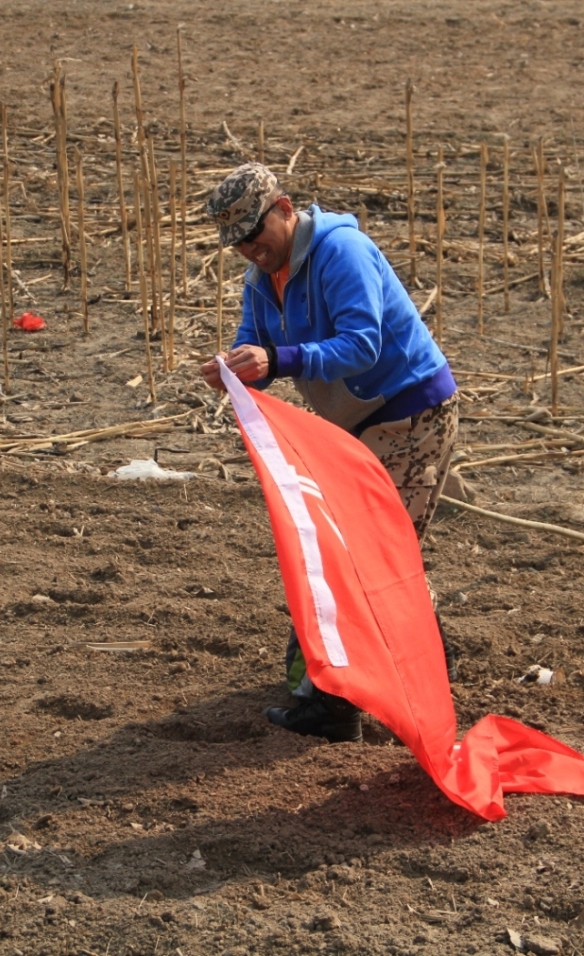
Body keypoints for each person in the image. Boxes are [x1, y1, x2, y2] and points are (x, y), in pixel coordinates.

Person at [200, 163, 459, 744]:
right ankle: (421, 664)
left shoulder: (343, 251)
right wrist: (236, 368)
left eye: (255, 234)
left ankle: (335, 704)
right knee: (360, 552)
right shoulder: (260, 280)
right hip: (353, 423)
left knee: (362, 556)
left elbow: (362, 345)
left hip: (411, 415)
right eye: (238, 243)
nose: (250, 250)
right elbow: (255, 344)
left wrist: (278, 360)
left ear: (285, 208)